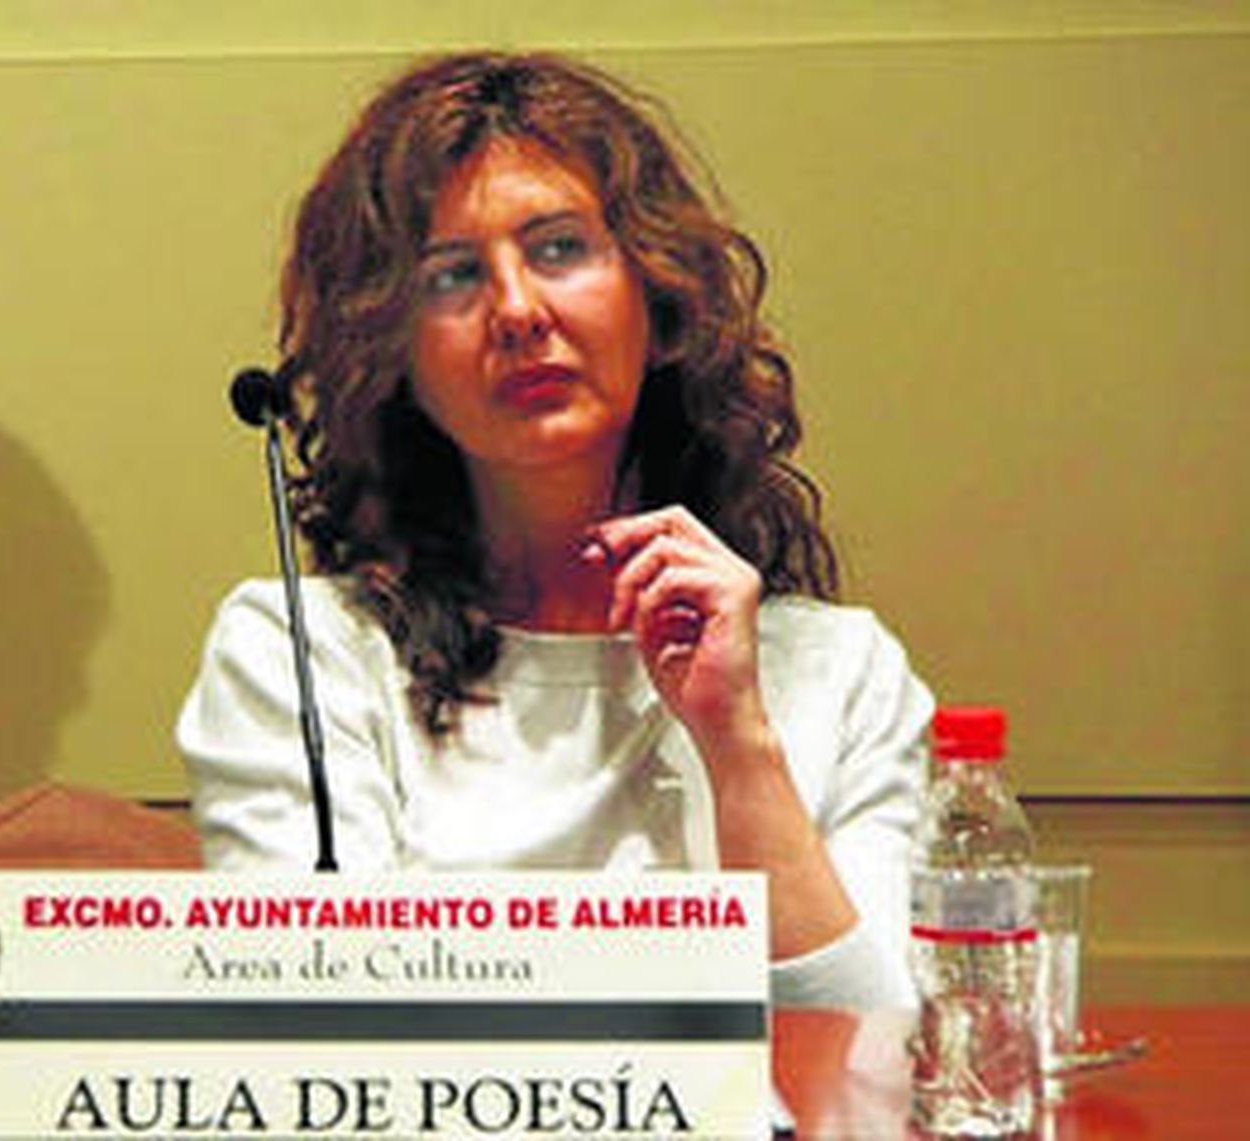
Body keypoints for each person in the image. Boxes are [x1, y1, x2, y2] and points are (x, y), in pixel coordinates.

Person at [177, 51, 932, 1008]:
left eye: (560, 249)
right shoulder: (303, 654)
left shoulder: (843, 673)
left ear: (660, 299)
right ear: (391, 354)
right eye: (454, 275)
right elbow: (319, 1027)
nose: (518, 311)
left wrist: (738, 744)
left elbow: (873, 1056)